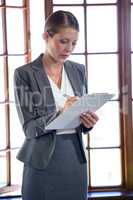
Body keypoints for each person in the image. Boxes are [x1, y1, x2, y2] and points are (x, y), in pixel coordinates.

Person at [14, 10, 99, 200]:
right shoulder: (24, 74)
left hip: (75, 161)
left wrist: (88, 122)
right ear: (46, 36)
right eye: (63, 41)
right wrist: (61, 112)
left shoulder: (78, 70)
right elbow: (29, 129)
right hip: (42, 163)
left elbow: (80, 119)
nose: (69, 48)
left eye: (74, 43)